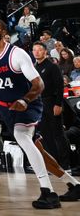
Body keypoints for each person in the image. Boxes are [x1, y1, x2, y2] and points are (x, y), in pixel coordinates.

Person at [0, 19, 80, 209]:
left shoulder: (17, 54)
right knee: (37, 149)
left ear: (4, 31)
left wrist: (24, 100)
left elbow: (39, 84)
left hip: (28, 104)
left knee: (23, 137)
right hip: (7, 108)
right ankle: (74, 184)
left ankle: (48, 192)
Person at [33, 42, 73, 170]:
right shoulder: (34, 67)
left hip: (51, 102)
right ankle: (54, 163)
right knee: (46, 134)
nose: (36, 52)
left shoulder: (52, 66)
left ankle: (65, 164)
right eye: (34, 50)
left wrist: (58, 103)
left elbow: (60, 85)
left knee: (58, 133)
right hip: (39, 103)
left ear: (45, 52)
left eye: (39, 50)